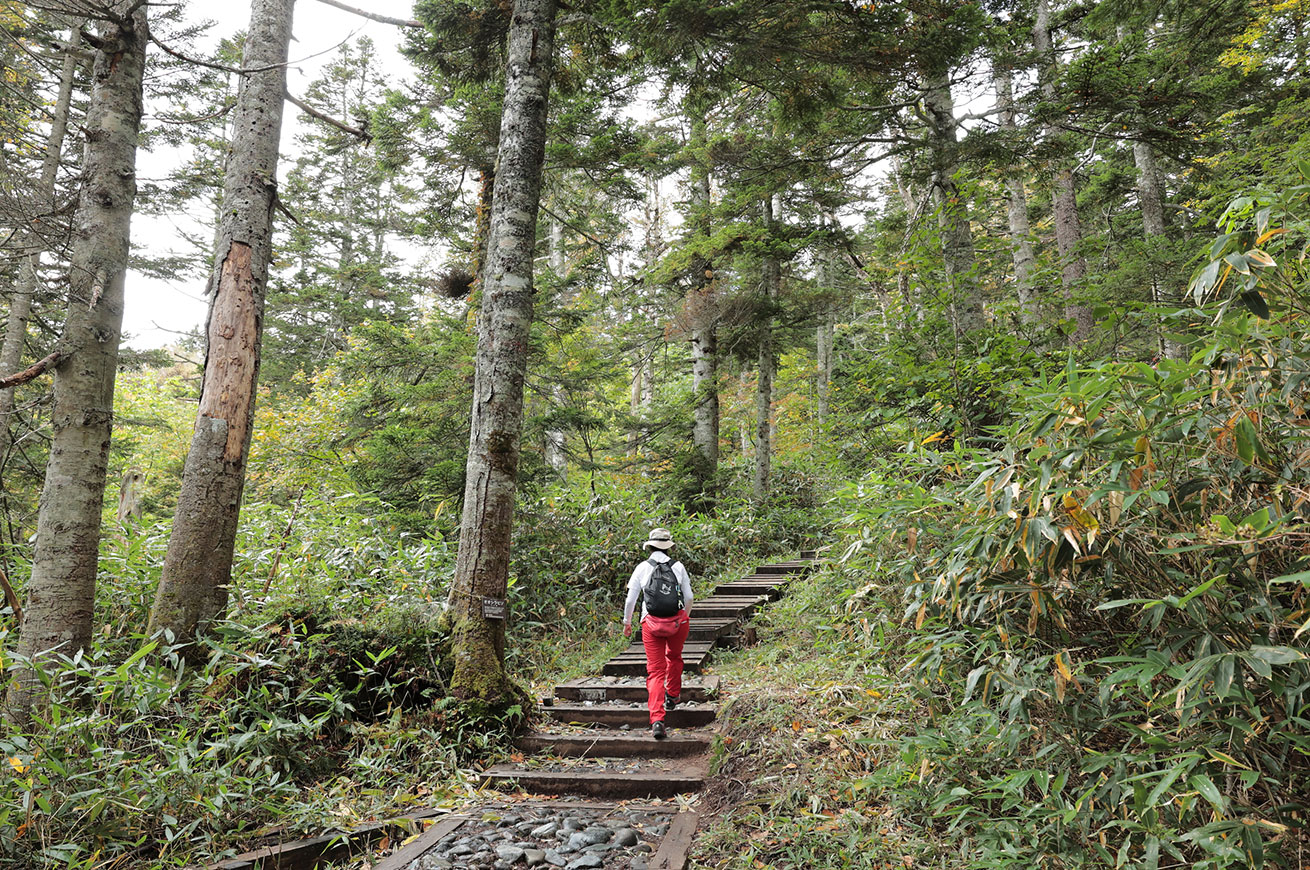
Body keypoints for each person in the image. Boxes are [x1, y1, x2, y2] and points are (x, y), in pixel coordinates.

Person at [622, 527, 694, 740]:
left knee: (655, 671)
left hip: (650, 624)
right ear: (669, 546)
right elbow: (689, 597)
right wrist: (684, 617)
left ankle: (657, 720)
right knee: (674, 657)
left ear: (650, 546)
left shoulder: (642, 567)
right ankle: (673, 695)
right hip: (677, 623)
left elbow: (630, 600)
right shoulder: (678, 566)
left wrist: (627, 623)